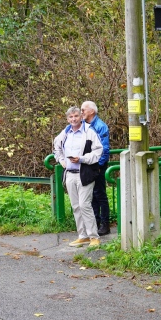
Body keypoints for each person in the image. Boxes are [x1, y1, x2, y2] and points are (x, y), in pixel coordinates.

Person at [53, 106, 103, 248]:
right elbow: (56, 147)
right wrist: (62, 161)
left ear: (81, 116)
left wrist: (81, 159)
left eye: (76, 116)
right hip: (70, 173)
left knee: (84, 205)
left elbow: (98, 151)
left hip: (85, 173)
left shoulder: (89, 131)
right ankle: (83, 236)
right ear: (67, 119)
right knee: (75, 206)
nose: (73, 119)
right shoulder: (66, 132)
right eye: (71, 117)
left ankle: (94, 237)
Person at [81, 100, 111, 235]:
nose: (81, 112)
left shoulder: (100, 126)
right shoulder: (83, 126)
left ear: (92, 111)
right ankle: (95, 223)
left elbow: (104, 149)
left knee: (100, 194)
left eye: (83, 110)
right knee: (91, 195)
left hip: (97, 165)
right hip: (87, 164)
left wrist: (99, 166)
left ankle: (105, 224)